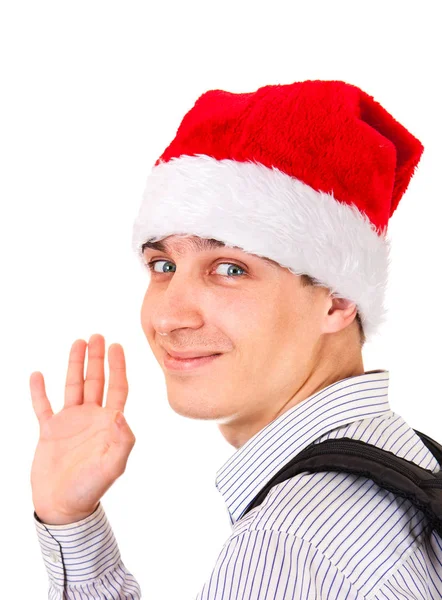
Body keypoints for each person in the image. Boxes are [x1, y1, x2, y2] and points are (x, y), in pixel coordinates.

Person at [30, 79, 442, 599]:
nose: (167, 316)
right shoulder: (412, 465)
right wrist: (71, 520)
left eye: (229, 268)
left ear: (337, 300)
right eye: (163, 264)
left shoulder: (289, 542)